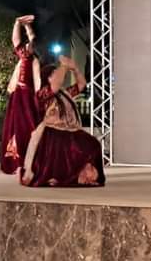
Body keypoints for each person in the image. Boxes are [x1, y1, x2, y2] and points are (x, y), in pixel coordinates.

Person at [20, 56, 105, 187]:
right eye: (55, 72)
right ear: (48, 78)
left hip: (69, 131)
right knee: (75, 150)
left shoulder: (64, 93)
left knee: (93, 144)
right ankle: (73, 175)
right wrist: (64, 66)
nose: (60, 73)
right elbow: (55, 85)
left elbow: (81, 85)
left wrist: (75, 69)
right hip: (52, 135)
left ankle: (84, 174)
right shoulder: (43, 93)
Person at [0, 15, 41, 175]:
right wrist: (18, 23)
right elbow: (16, 40)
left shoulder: (34, 59)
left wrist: (27, 27)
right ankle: (16, 163)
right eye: (27, 45)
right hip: (18, 95)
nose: (27, 47)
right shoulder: (23, 56)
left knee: (29, 127)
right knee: (15, 126)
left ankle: (29, 162)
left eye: (30, 45)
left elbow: (33, 39)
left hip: (29, 97)